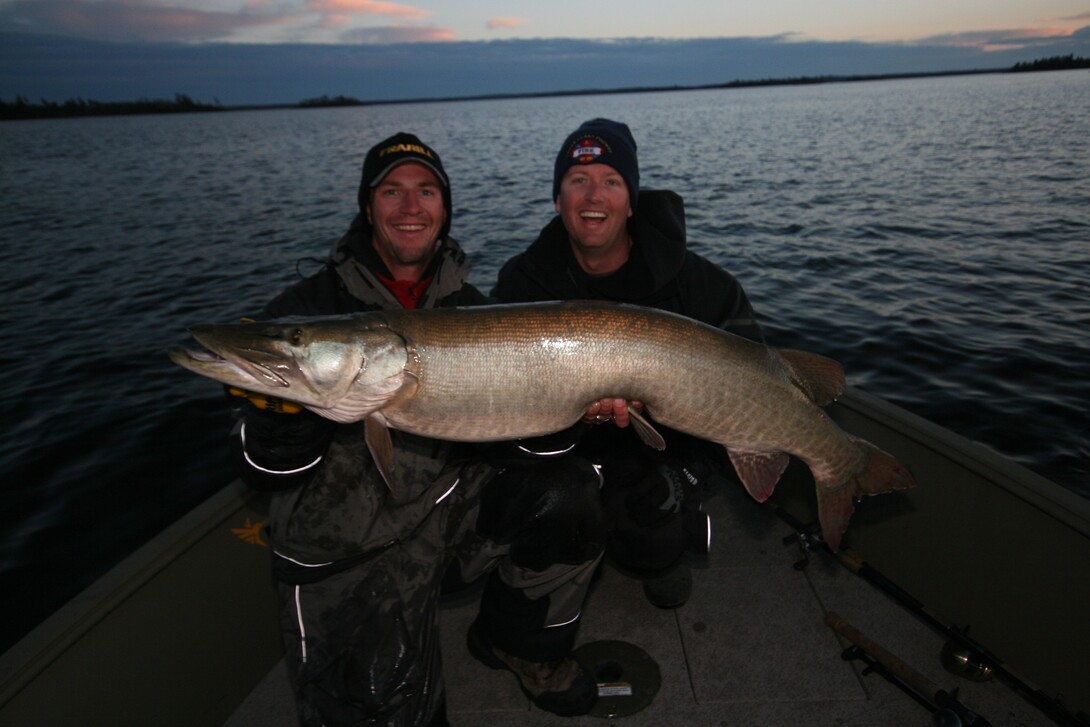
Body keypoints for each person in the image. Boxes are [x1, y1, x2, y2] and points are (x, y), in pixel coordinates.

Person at [229, 132, 494, 727]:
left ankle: (513, 636)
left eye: (426, 191)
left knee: (565, 493)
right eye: (391, 191)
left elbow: (522, 437)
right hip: (342, 549)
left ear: (444, 209)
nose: (410, 207)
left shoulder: (471, 305)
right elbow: (260, 469)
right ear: (367, 207)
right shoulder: (305, 308)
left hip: (446, 518)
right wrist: (283, 425)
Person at [480, 118, 763, 667]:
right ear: (558, 198)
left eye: (610, 180)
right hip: (563, 454)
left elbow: (747, 385)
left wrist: (689, 472)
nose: (593, 195)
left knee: (654, 532)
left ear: (632, 200)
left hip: (661, 452)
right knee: (559, 505)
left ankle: (665, 545)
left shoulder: (703, 285)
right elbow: (509, 410)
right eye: (578, 179)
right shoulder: (521, 283)